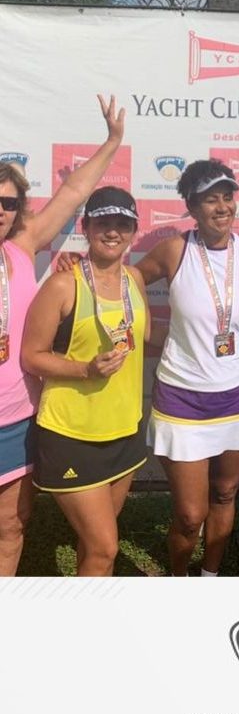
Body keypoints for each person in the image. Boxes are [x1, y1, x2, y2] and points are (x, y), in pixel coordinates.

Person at [0, 95, 125, 576]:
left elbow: (74, 193)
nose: (1, 211)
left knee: (12, 525)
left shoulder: (20, 247)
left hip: (17, 419)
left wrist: (112, 141)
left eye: (9, 203)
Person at [140, 159, 239, 577]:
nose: (222, 207)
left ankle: (209, 577)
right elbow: (124, 283)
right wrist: (150, 334)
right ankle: (179, 580)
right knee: (189, 515)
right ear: (192, 208)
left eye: (227, 197)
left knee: (226, 492)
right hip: (183, 397)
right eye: (210, 199)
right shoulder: (174, 251)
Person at [22, 188, 148, 577]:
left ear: (134, 231)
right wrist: (85, 370)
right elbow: (31, 356)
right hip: (72, 433)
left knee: (95, 546)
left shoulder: (134, 279)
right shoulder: (63, 285)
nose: (113, 231)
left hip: (125, 429)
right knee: (105, 547)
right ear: (85, 227)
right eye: (103, 222)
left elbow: (144, 338)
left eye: (122, 223)